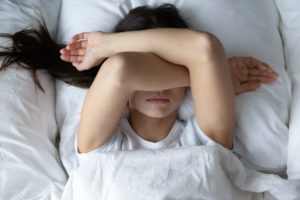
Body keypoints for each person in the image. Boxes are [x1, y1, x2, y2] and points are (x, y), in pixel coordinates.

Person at [58, 4, 278, 155]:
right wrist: (211, 75)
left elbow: (204, 48)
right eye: (147, 72)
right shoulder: (101, 145)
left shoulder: (204, 140)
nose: (159, 88)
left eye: (166, 69)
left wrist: (107, 44)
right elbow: (120, 69)